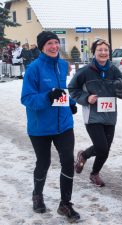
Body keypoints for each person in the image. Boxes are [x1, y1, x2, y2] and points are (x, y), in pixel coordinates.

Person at [21, 31, 80, 222]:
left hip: (63, 124)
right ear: (42, 47)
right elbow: (27, 99)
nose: (54, 46)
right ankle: (37, 194)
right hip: (40, 127)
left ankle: (65, 204)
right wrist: (47, 97)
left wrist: (69, 103)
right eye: (49, 44)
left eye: (56, 42)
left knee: (67, 162)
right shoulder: (33, 69)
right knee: (43, 162)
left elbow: (60, 91)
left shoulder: (63, 65)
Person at [68, 39, 122, 187]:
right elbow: (72, 89)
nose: (103, 53)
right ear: (94, 52)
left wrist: (121, 88)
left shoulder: (114, 70)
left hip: (109, 116)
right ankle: (87, 161)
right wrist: (86, 98)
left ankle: (92, 170)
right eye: (100, 50)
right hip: (93, 116)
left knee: (105, 150)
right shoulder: (85, 71)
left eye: (106, 50)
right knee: (101, 147)